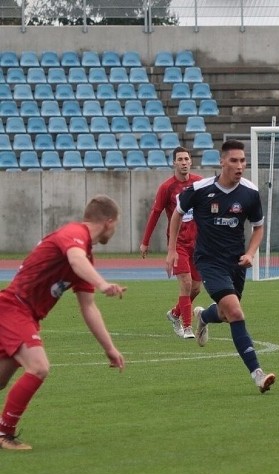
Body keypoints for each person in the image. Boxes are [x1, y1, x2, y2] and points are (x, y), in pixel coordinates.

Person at [0, 195, 126, 451]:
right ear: (108, 222)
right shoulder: (74, 233)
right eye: (116, 225)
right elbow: (75, 260)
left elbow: (88, 307)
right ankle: (4, 434)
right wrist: (103, 284)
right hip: (14, 308)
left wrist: (110, 348)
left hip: (26, 315)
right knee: (38, 367)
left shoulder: (85, 259)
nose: (115, 230)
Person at [166, 140, 275, 394]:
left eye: (243, 161)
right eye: (234, 161)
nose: (240, 166)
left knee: (226, 314)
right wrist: (171, 250)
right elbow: (177, 213)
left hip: (236, 263)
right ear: (222, 162)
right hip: (209, 261)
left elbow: (258, 227)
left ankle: (203, 316)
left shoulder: (249, 192)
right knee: (236, 312)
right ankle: (258, 374)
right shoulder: (200, 189)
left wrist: (250, 253)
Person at [140, 146, 204, 338]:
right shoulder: (167, 187)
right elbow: (155, 213)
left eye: (186, 159)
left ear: (190, 161)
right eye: (180, 159)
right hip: (178, 243)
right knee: (185, 282)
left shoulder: (199, 183)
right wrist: (145, 241)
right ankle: (187, 327)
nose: (184, 162)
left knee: (196, 288)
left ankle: (175, 314)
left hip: (198, 243)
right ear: (174, 163)